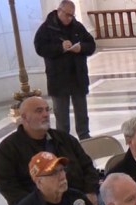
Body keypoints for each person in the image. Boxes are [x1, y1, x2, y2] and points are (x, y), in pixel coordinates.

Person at [0, 96, 100, 205]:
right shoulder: (7, 149)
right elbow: (7, 186)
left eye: (47, 110)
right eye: (39, 111)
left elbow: (88, 166)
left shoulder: (65, 139)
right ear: (24, 117)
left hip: (77, 199)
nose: (46, 114)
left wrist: (91, 192)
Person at [33, 0, 96, 139]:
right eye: (67, 15)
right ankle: (63, 142)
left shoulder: (77, 27)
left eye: (72, 15)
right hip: (58, 79)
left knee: (82, 113)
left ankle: (85, 138)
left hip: (78, 78)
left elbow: (91, 45)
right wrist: (60, 47)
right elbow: (40, 48)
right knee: (61, 116)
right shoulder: (46, 28)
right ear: (59, 11)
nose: (69, 18)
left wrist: (81, 48)